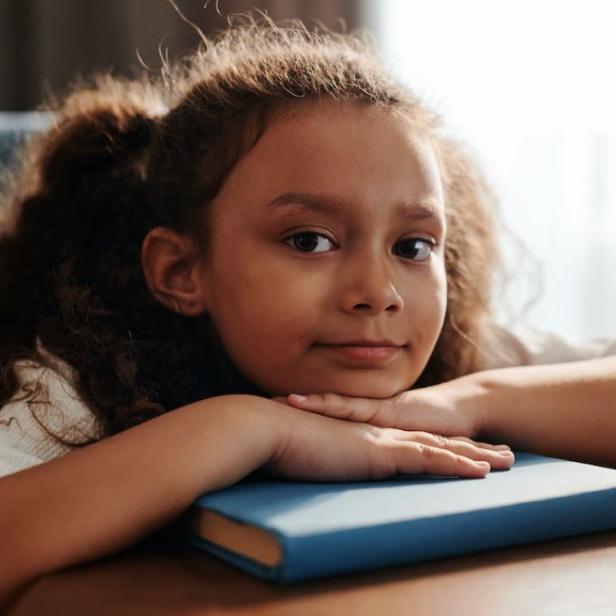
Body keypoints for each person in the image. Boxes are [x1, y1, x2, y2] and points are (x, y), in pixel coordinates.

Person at [0, 18, 612, 608]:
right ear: (181, 272)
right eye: (310, 240)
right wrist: (251, 428)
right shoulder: (88, 375)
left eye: (413, 246)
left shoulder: (449, 356)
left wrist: (476, 402)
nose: (378, 291)